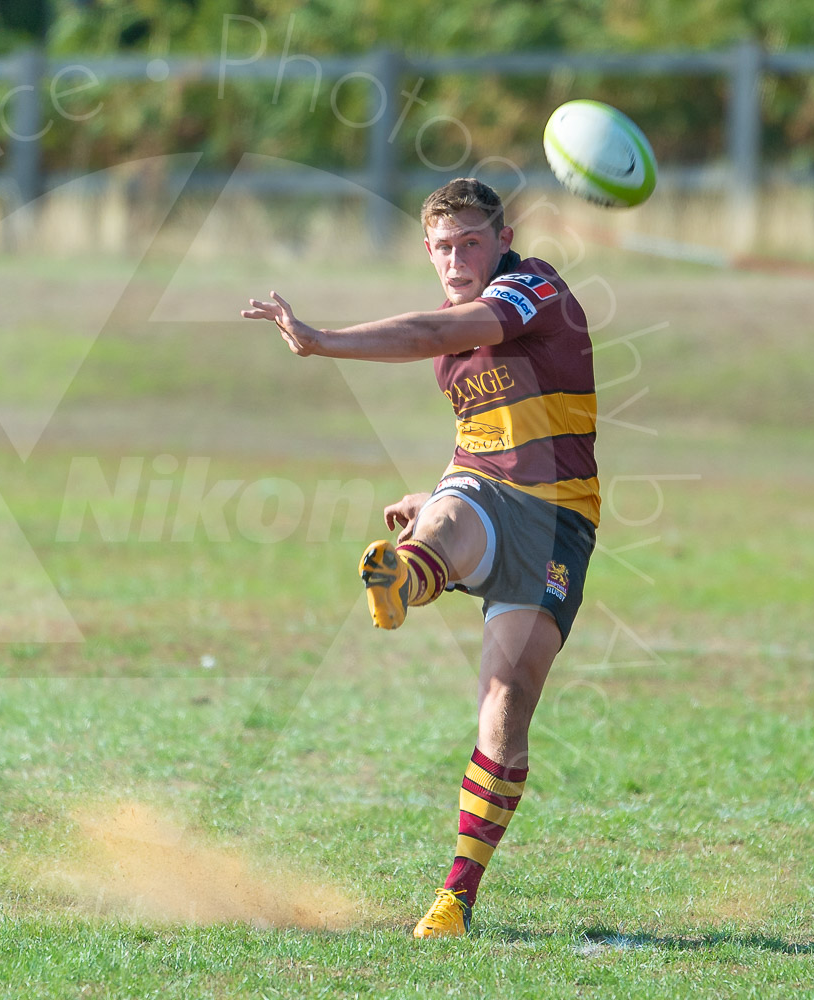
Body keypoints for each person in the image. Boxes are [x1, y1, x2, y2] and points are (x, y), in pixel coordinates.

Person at [241, 178, 597, 938]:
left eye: (473, 241)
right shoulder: (455, 334)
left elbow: (433, 335)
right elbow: (479, 428)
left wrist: (322, 339)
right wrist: (432, 490)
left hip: (557, 520)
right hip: (483, 488)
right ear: (427, 251)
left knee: (504, 710)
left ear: (503, 239)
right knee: (446, 515)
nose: (458, 256)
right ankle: (403, 575)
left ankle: (456, 899)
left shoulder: (534, 287)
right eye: (444, 245)